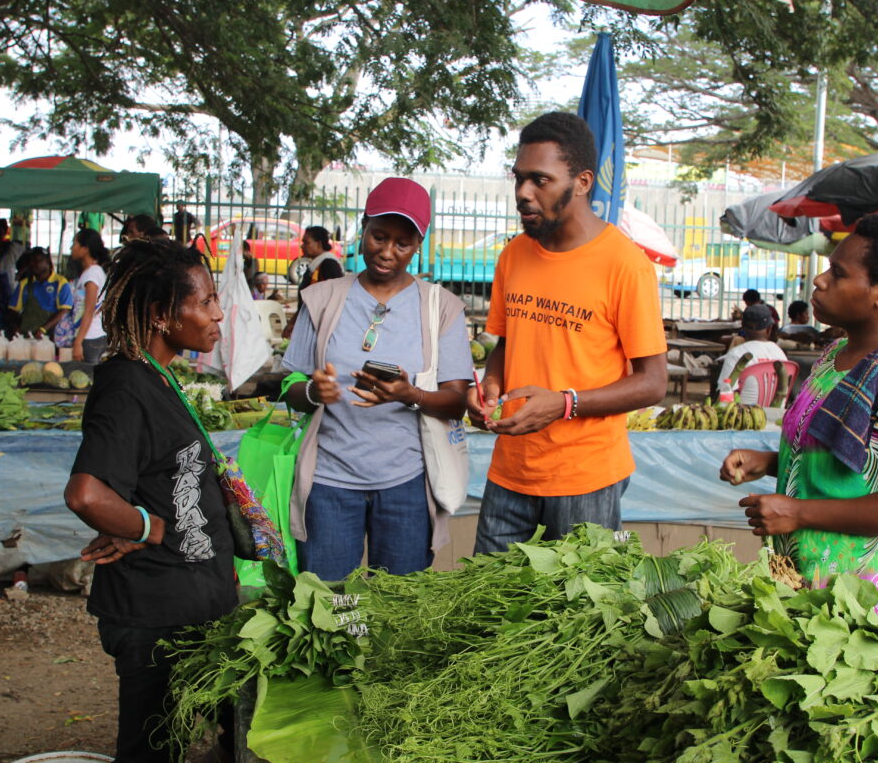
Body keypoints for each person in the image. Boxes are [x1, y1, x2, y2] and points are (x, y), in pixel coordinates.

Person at [720, 214, 878, 654]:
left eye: (838, 274)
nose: (819, 281)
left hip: (870, 599)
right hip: (807, 577)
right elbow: (852, 457)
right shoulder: (833, 356)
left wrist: (798, 512)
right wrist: (771, 462)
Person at [64, 240, 235, 763]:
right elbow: (87, 493)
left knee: (221, 729)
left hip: (191, 604)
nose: (218, 313)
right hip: (155, 613)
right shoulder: (124, 386)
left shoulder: (158, 375)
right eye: (204, 302)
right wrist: (146, 527)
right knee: (152, 747)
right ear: (162, 315)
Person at [466, 112, 668, 554]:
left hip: (587, 480)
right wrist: (491, 385)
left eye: (540, 180)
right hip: (509, 472)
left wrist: (564, 404)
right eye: (518, 178)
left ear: (582, 181)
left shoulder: (625, 265)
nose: (523, 193)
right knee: (487, 610)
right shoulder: (514, 256)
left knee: (579, 615)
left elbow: (653, 382)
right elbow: (505, 344)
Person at [280, 177, 473, 580]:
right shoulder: (321, 299)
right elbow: (290, 389)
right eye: (378, 236)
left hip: (407, 485)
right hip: (329, 482)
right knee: (329, 607)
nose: (387, 252)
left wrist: (410, 394)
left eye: (402, 243)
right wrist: (314, 391)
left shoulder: (443, 308)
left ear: (419, 244)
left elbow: (457, 400)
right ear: (363, 228)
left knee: (398, 612)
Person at [714, 304, 787, 405]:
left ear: (742, 327)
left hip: (744, 416)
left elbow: (725, 394)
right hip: (776, 415)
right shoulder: (780, 353)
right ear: (769, 328)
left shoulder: (736, 354)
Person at [283, 225, 345, 337]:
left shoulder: (328, 264)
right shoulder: (317, 264)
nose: (302, 246)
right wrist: (294, 322)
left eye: (306, 242)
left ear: (319, 244)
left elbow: (334, 298)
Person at [9, 248, 74, 340]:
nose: (33, 264)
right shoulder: (25, 284)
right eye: (31, 261)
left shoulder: (61, 283)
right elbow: (13, 310)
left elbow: (64, 311)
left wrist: (43, 329)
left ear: (47, 261)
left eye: (38, 260)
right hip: (27, 336)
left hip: (52, 337)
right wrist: (16, 328)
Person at [67, 228, 110, 364]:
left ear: (85, 249)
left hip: (91, 337)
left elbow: (89, 310)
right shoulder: (90, 273)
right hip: (89, 335)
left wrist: (78, 342)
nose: (71, 248)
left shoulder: (92, 275)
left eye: (75, 244)